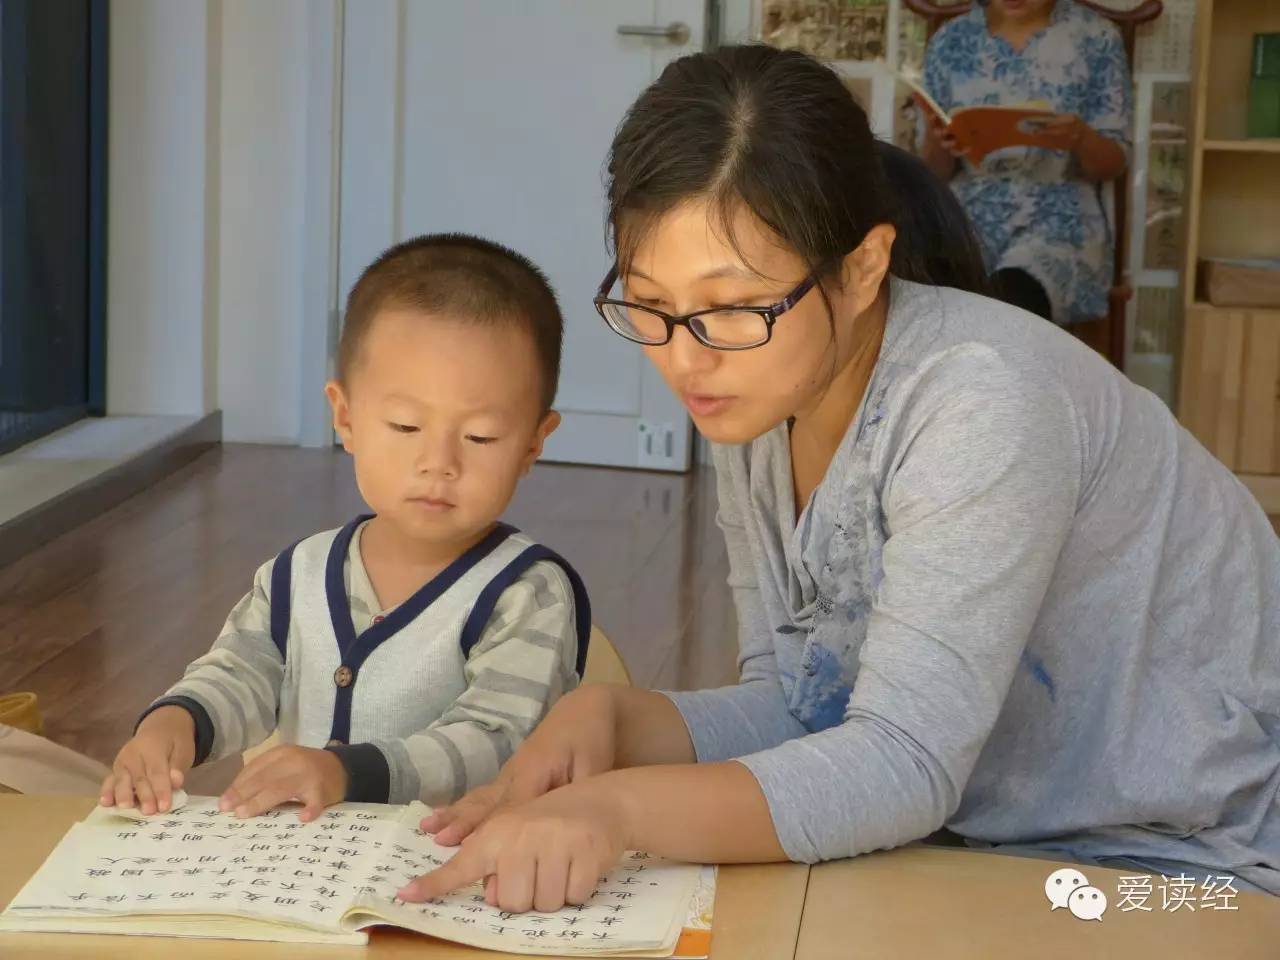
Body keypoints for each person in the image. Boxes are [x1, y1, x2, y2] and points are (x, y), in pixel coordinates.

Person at [393, 45, 1280, 913]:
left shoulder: (983, 400)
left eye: (732, 306)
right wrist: (621, 723)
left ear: (861, 268)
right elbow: (803, 704)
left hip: (1187, 869)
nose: (683, 357)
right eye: (651, 304)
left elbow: (905, 763)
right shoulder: (758, 389)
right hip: (997, 839)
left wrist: (617, 807)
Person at [99, 234, 591, 820]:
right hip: (303, 871)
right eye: (406, 427)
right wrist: (172, 724)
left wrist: (345, 770)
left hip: (454, 870)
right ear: (346, 417)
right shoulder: (297, 573)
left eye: (480, 436)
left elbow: (496, 740)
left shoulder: (526, 593)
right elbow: (241, 672)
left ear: (535, 441)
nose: (439, 462)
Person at [919, 0, 1131, 325]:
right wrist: (940, 141)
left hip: (1060, 218)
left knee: (1012, 298)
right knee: (929, 294)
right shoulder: (950, 40)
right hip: (967, 215)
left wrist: (1080, 137)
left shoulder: (1096, 38)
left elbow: (1113, 165)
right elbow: (934, 173)